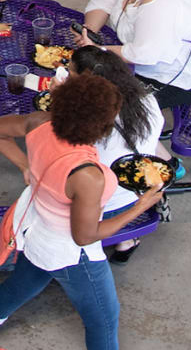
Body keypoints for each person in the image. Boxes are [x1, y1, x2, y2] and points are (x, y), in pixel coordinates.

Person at [0, 73, 166, 350]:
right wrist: (140, 206)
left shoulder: (39, 122)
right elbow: (85, 235)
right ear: (102, 128)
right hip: (69, 252)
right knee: (104, 316)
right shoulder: (89, 175)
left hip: (35, 230)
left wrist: (25, 165)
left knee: (22, 286)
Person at [64, 45, 166, 262]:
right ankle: (126, 240)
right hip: (137, 191)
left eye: (72, 73)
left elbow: (65, 159)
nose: (67, 76)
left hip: (103, 207)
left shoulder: (88, 121)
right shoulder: (147, 101)